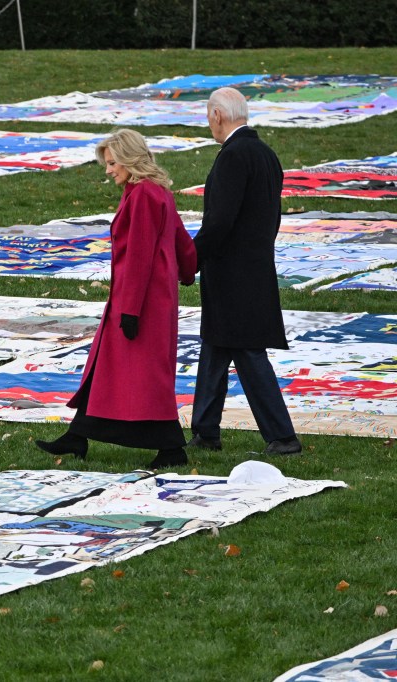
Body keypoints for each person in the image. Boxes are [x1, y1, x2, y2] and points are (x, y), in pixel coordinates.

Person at [36, 128, 197, 470]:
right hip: (149, 298)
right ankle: (77, 435)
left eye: (112, 163)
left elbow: (139, 255)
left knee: (141, 376)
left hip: (140, 300)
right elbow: (180, 237)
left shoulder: (141, 195)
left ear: (129, 159)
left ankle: (170, 448)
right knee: (112, 369)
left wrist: (131, 310)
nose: (108, 170)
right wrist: (186, 269)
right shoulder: (156, 192)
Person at [187, 87, 302, 456]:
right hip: (253, 266)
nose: (210, 125)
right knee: (216, 345)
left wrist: (190, 257)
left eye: (209, 118)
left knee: (248, 352)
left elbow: (218, 222)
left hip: (232, 273)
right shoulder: (266, 155)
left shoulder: (232, 156)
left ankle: (282, 437)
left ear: (217, 115)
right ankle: (205, 430)